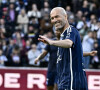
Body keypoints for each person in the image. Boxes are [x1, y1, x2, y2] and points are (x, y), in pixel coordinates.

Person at [38, 7, 89, 90]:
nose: (54, 20)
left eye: (57, 16)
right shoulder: (62, 39)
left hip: (72, 82)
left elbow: (69, 43)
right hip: (65, 82)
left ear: (65, 16)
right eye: (52, 18)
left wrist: (51, 42)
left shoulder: (71, 30)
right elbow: (77, 53)